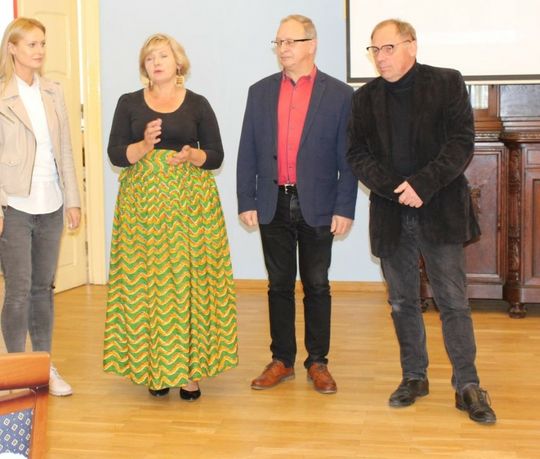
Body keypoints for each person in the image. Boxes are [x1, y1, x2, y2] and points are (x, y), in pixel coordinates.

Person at [347, 19, 496, 424]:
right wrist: (397, 188)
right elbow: (357, 154)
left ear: (411, 45)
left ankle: (467, 384)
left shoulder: (446, 82)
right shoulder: (364, 98)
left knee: (453, 302)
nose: (380, 57)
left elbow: (461, 142)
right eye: (374, 50)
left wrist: (422, 185)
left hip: (440, 209)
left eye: (388, 48)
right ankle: (414, 376)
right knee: (402, 302)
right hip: (391, 213)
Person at [103, 33, 238, 400]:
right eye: (150, 58)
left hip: (191, 210)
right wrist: (145, 145)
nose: (156, 62)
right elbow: (116, 154)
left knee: (188, 285)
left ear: (178, 63)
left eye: (163, 56)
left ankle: (190, 373)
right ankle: (156, 368)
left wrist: (192, 156)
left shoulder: (198, 104)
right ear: (144, 67)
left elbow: (216, 155)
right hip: (142, 211)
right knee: (149, 286)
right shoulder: (129, 103)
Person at [237, 15, 357, 394]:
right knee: (279, 284)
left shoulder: (339, 95)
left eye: (290, 41)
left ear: (312, 44)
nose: (283, 49)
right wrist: (246, 198)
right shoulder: (259, 92)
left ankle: (318, 362)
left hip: (319, 203)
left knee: (317, 284)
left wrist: (345, 207)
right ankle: (282, 360)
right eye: (279, 42)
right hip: (272, 201)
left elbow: (348, 158)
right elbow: (247, 150)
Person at [0, 17, 81, 397]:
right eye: (31, 44)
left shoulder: (53, 91)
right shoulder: (2, 93)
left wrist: (73, 199)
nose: (40, 50)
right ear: (12, 48)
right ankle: (15, 372)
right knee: (17, 291)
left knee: (42, 289)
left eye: (43, 43)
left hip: (52, 204)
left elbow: (64, 148)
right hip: (14, 206)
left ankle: (42, 366)